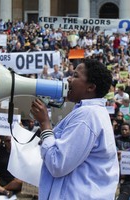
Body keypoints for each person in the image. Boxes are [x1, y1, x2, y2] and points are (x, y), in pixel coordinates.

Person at [30, 59, 119, 199]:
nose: (69, 79)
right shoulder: (92, 112)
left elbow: (57, 164)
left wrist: (44, 124)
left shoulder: (87, 115)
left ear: (90, 87)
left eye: (76, 76)